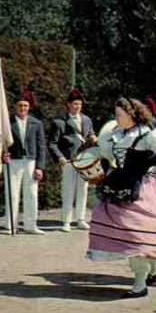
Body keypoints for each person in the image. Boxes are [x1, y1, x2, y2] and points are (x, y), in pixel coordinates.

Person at [86, 98, 156, 298]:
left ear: (132, 114)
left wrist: (153, 157)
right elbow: (106, 156)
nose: (117, 117)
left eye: (120, 113)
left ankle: (140, 283)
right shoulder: (115, 134)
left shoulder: (148, 133)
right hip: (120, 184)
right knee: (128, 238)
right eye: (116, 113)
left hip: (143, 188)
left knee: (139, 235)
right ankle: (152, 269)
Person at [48, 89, 97, 232]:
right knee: (68, 191)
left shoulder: (87, 120)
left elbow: (90, 134)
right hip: (68, 160)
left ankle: (80, 219)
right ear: (68, 105)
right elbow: (52, 143)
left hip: (84, 159)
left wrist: (93, 138)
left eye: (79, 104)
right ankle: (66, 221)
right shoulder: (59, 122)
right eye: (75, 104)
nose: (77, 107)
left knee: (83, 190)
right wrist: (60, 157)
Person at [2, 91, 47, 234]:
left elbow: (41, 146)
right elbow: (0, 142)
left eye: (25, 106)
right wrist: (3, 155)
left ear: (29, 107)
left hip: (30, 162)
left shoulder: (36, 123)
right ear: (15, 107)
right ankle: (10, 225)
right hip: (13, 161)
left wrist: (40, 167)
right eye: (20, 105)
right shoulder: (7, 122)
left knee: (32, 193)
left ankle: (30, 225)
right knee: (13, 193)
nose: (23, 108)